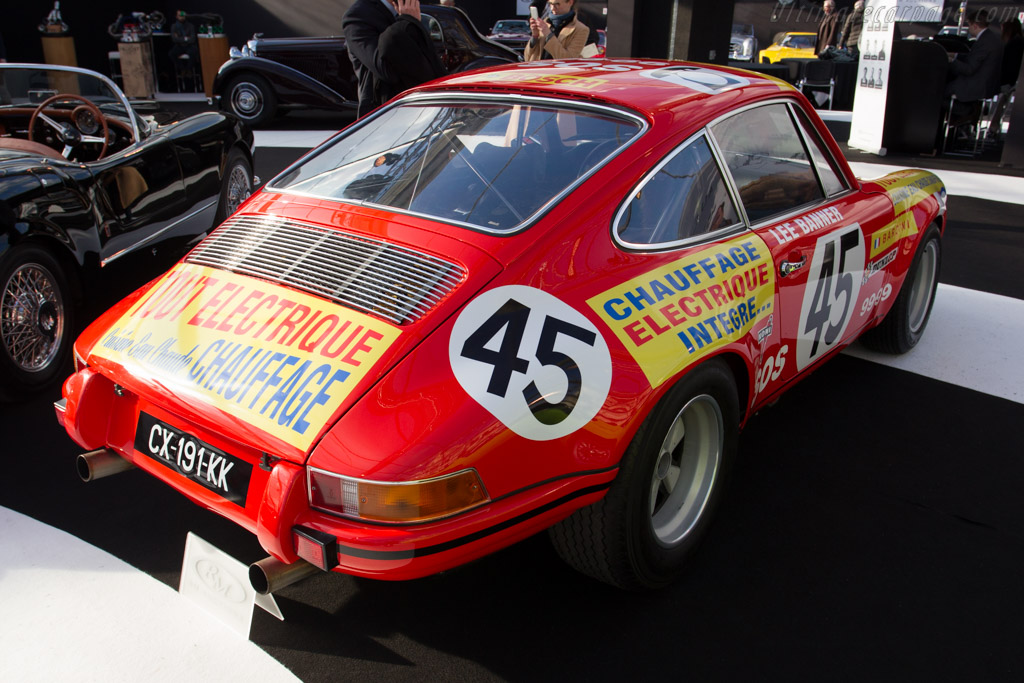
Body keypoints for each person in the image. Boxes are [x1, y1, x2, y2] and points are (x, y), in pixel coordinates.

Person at [342, 0, 446, 118]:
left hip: (424, 111)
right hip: (384, 117)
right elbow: (385, 70)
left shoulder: (416, 8)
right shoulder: (358, 15)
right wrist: (407, 21)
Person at [946, 10, 1003, 105]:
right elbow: (974, 58)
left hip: (976, 86)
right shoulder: (990, 38)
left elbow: (969, 69)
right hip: (984, 83)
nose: (968, 29)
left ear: (975, 26)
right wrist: (955, 55)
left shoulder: (984, 42)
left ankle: (964, 115)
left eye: (969, 25)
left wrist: (951, 61)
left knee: (939, 91)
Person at [988, 18, 1024, 138]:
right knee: (1002, 104)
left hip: (1008, 80)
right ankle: (994, 127)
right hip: (1011, 80)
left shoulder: (1014, 44)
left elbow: (1010, 65)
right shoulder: (1018, 42)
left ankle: (993, 127)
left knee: (1000, 103)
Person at [524, 0, 590, 62]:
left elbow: (569, 60)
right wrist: (535, 36)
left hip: (560, 73)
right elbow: (527, 58)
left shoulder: (581, 29)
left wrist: (549, 35)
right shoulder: (545, 23)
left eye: (557, 4)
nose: (552, 8)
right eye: (550, 4)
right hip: (537, 71)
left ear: (570, 2)